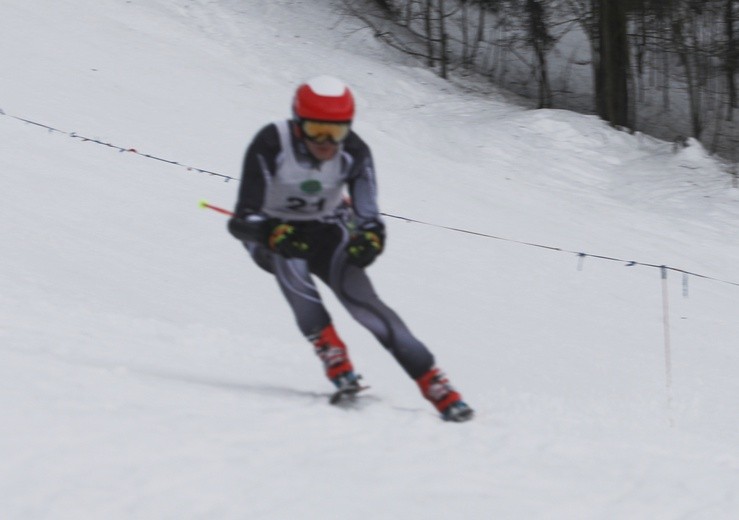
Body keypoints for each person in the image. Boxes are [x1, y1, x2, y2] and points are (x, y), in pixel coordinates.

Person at [227, 75, 473, 422]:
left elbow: (369, 215)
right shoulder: (271, 143)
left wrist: (371, 239)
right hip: (272, 235)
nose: (326, 144)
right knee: (291, 259)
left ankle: (432, 380)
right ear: (298, 125)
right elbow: (241, 221)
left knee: (365, 304)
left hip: (327, 228)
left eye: (336, 133)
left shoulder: (355, 152)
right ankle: (330, 348)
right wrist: (271, 232)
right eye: (316, 131)